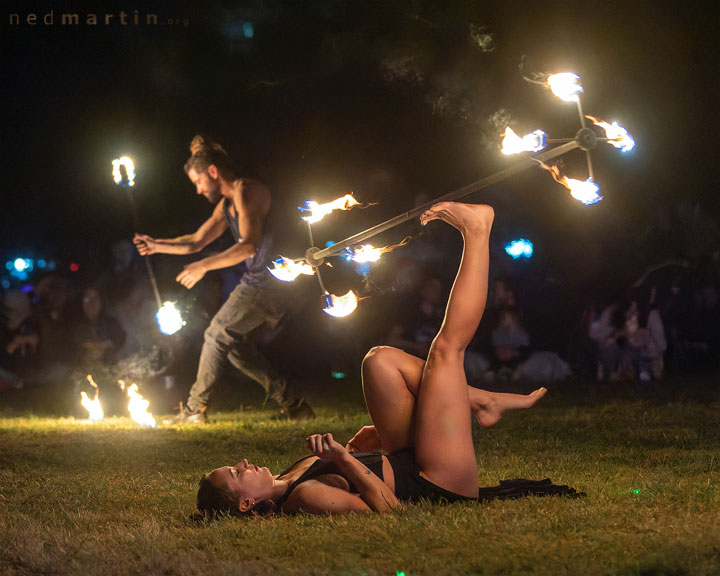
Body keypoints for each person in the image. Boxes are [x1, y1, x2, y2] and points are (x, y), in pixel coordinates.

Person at [197, 202, 559, 516]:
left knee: (379, 360)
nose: (242, 463)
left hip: (407, 459)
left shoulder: (289, 474)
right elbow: (389, 510)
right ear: (245, 503)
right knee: (445, 352)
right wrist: (344, 459)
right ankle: (477, 231)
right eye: (234, 473)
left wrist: (354, 448)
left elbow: (356, 463)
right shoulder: (303, 496)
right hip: (436, 483)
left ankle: (482, 400)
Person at [133, 135, 313, 422]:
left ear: (213, 172)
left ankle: (194, 410)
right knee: (234, 346)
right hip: (258, 282)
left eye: (198, 181)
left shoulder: (247, 191)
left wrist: (203, 266)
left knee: (216, 334)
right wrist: (155, 245)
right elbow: (195, 241)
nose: (198, 190)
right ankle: (296, 405)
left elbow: (249, 246)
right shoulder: (227, 203)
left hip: (272, 281)